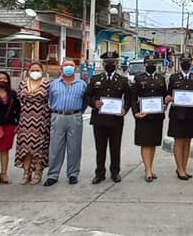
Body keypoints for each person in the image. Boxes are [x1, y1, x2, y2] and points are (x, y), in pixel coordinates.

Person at [85, 51, 132, 184]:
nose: (110, 64)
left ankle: (115, 172)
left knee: (115, 147)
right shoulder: (95, 79)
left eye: (112, 62)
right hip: (99, 119)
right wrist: (94, 103)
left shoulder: (122, 80)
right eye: (107, 62)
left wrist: (124, 109)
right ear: (103, 64)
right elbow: (87, 96)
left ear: (116, 64)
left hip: (116, 119)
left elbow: (128, 98)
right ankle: (100, 173)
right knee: (100, 148)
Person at [44, 58, 88, 186]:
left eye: (71, 65)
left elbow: (85, 101)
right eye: (66, 65)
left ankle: (73, 174)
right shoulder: (53, 84)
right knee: (55, 147)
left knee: (74, 147)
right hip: (58, 116)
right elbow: (50, 99)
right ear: (61, 68)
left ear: (75, 68)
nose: (68, 67)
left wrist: (78, 112)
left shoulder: (82, 84)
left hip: (74, 116)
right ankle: (53, 175)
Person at [132, 55, 167, 182]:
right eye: (149, 63)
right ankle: (147, 170)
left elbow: (165, 95)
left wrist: (165, 104)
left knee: (153, 142)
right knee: (145, 142)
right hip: (144, 115)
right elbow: (133, 98)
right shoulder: (138, 78)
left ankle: (150, 168)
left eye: (153, 63)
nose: (151, 65)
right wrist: (136, 112)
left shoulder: (161, 78)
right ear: (145, 64)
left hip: (157, 116)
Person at [14, 62, 50, 184]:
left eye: (37, 70)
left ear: (42, 71)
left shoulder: (47, 84)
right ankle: (26, 172)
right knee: (25, 146)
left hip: (41, 118)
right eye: (32, 70)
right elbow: (18, 99)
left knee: (39, 146)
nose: (35, 72)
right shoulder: (23, 83)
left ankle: (38, 171)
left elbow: (51, 99)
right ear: (28, 71)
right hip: (25, 118)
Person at [166, 54, 193, 180]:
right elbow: (168, 95)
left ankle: (184, 168)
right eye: (183, 61)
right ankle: (180, 169)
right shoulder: (174, 77)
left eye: (188, 61)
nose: (186, 63)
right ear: (180, 63)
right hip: (177, 114)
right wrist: (169, 99)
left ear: (191, 63)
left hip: (191, 114)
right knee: (179, 141)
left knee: (187, 142)